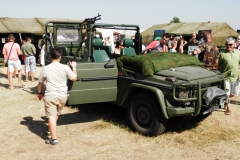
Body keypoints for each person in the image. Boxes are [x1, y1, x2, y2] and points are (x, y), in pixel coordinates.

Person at [37, 47, 78, 145]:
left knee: (51, 115)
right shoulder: (65, 67)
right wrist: (74, 67)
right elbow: (74, 78)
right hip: (62, 95)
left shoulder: (45, 68)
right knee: (55, 114)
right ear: (60, 57)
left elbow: (40, 82)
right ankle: (49, 129)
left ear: (51, 56)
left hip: (50, 94)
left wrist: (39, 93)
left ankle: (54, 139)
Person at [218, 37, 240, 115]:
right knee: (226, 93)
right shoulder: (222, 53)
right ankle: (228, 108)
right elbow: (218, 65)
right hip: (225, 77)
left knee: (234, 93)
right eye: (227, 45)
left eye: (230, 45)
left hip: (235, 77)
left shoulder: (238, 52)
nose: (228, 46)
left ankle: (225, 100)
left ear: (234, 44)